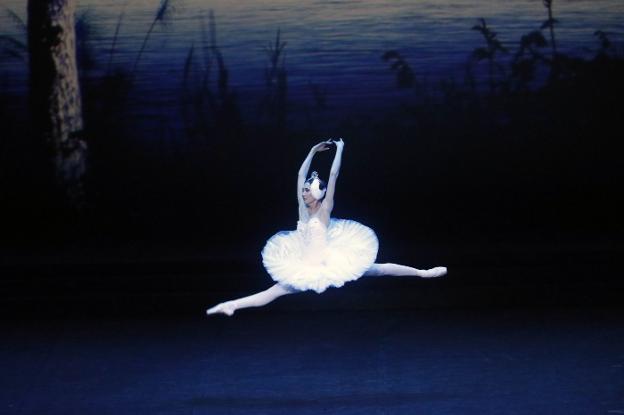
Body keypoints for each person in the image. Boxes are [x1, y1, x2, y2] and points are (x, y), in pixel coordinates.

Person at [206, 138, 447, 316]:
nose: (302, 192)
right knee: (273, 292)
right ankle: (232, 305)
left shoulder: (324, 210)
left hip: (330, 262)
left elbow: (333, 175)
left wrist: (340, 149)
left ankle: (422, 273)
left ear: (316, 195)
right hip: (304, 263)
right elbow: (300, 176)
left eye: (306, 191)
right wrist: (311, 152)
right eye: (302, 191)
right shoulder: (302, 210)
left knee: (379, 269)